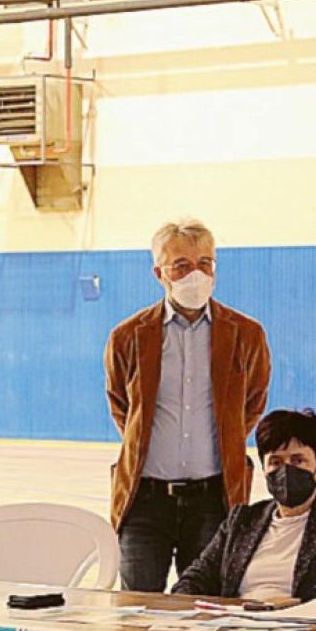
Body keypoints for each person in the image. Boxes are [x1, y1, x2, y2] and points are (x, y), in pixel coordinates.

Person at [104, 218, 271, 592]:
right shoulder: (128, 336)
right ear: (158, 272)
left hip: (214, 501)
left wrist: (222, 442)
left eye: (205, 263)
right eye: (181, 265)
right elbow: (121, 406)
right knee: (137, 610)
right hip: (143, 502)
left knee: (207, 611)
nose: (195, 274)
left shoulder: (246, 334)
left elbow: (253, 402)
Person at [173, 408, 316, 605]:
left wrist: (299, 613)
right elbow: (197, 577)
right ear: (264, 469)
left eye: (298, 461)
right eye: (276, 462)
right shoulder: (242, 519)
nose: (286, 472)